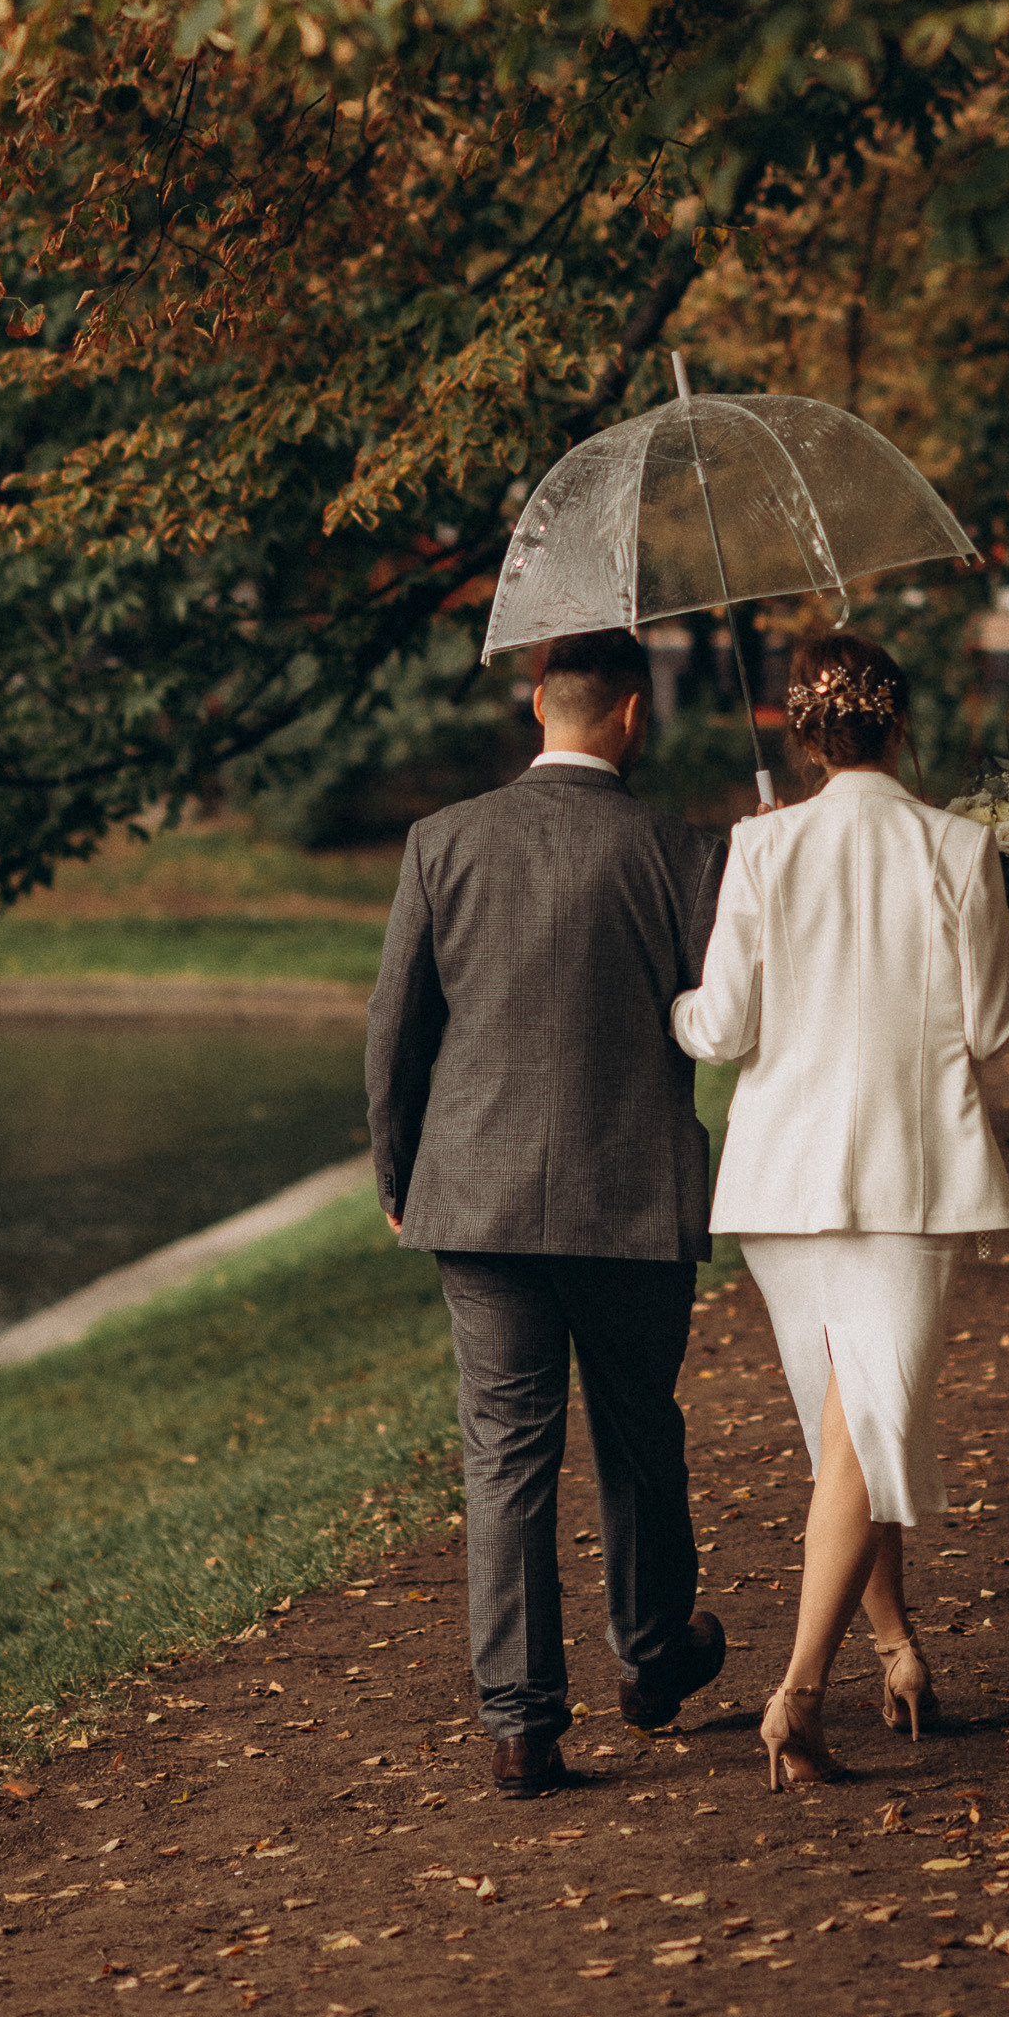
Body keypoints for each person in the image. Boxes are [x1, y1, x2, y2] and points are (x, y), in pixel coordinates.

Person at [365, 627, 730, 1797]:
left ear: (538, 704)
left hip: (475, 1197)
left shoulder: (442, 840)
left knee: (506, 1455)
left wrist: (397, 1176)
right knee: (639, 1431)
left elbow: (395, 1028)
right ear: (631, 714)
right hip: (631, 1192)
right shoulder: (683, 850)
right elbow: (729, 1014)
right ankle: (653, 1656)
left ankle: (521, 1723)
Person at [671, 630, 1009, 1790]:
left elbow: (721, 1027)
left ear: (801, 730)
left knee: (851, 1428)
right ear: (899, 721)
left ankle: (895, 1645)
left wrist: (674, 1008)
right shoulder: (956, 846)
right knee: (860, 1428)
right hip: (906, 1177)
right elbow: (990, 1025)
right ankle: (799, 1696)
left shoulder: (762, 844)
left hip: (783, 1182)